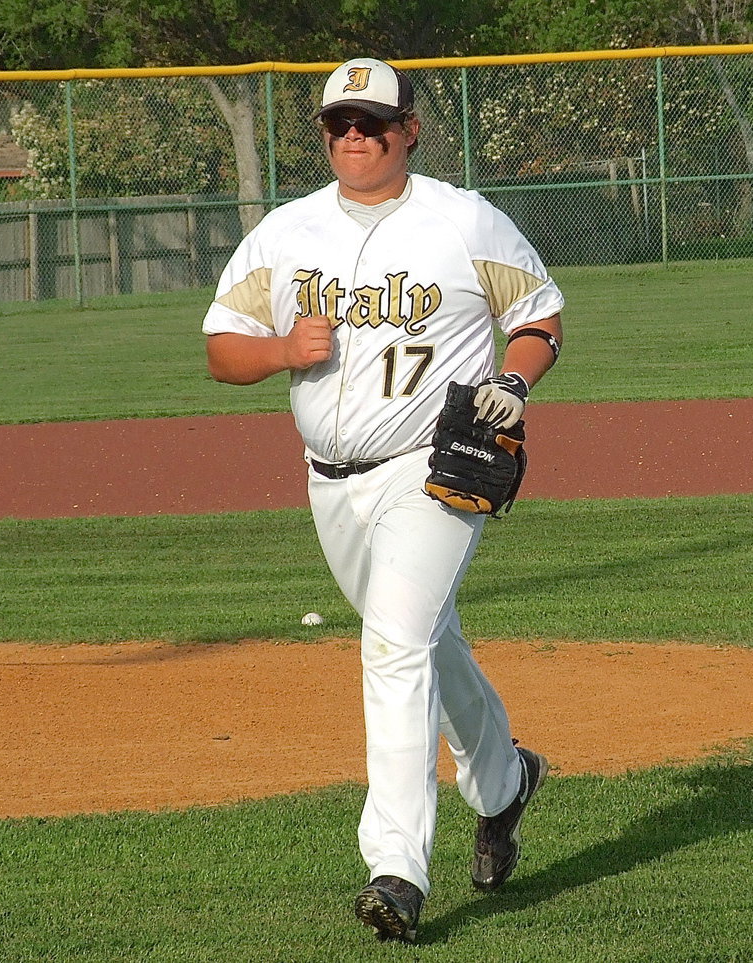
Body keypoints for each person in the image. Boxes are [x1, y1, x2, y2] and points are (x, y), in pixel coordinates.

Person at [201, 56, 564, 944]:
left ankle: (396, 868)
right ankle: (506, 781)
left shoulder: (462, 219)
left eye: (373, 122)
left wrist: (513, 382)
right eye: (340, 124)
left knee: (392, 644)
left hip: (429, 469)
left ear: (410, 130)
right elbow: (220, 346)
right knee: (427, 643)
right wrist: (285, 350)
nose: (356, 137)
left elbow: (540, 316)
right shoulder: (285, 234)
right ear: (323, 134)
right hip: (329, 480)